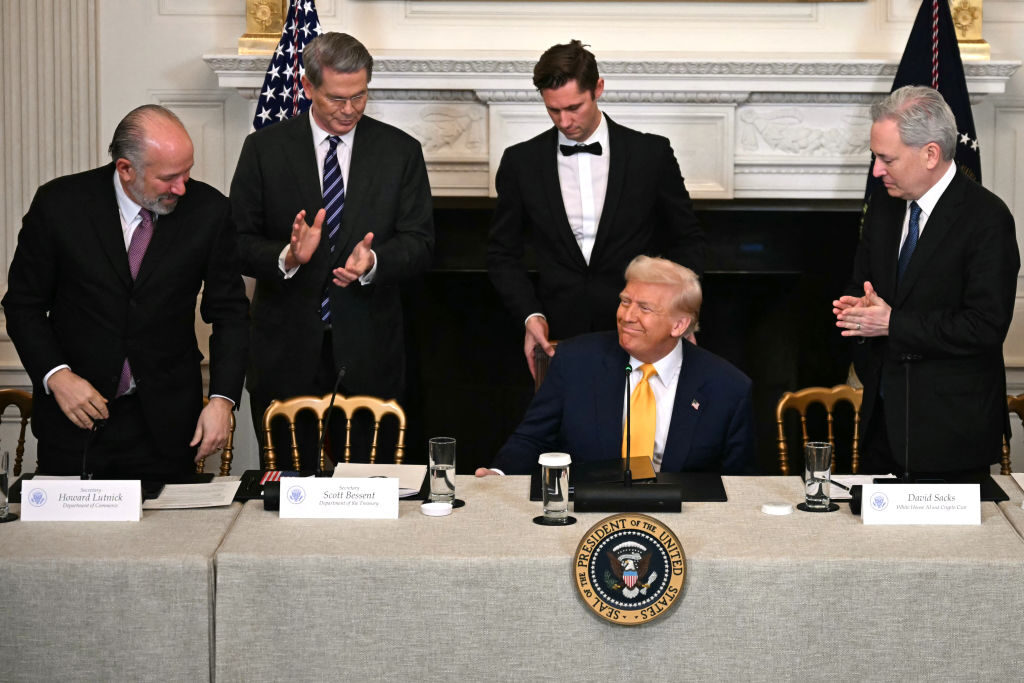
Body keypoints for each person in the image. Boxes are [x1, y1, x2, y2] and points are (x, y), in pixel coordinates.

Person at [3, 105, 249, 480]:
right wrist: (56, 376)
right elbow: (23, 305)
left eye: (187, 172)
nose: (182, 187)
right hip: (76, 419)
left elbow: (230, 313)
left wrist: (222, 401)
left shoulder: (209, 211)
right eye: (169, 177)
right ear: (126, 168)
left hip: (165, 427)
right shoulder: (59, 205)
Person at [230, 33, 434, 467]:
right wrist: (287, 257)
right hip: (285, 350)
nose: (349, 109)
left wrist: (374, 263)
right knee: (287, 491)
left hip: (369, 350)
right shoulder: (264, 150)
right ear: (307, 87)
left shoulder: (400, 152)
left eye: (359, 96)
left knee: (365, 491)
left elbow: (420, 244)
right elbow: (237, 243)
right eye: (336, 98)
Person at [487, 40, 705, 379]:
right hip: (558, 335)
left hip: (645, 328)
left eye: (575, 107)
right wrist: (530, 316)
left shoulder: (651, 154)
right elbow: (502, 253)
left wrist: (683, 313)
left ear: (598, 88)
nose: (565, 121)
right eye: (553, 110)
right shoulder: (520, 162)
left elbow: (687, 240)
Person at [833, 85, 1019, 477]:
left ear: (930, 154)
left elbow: (985, 326)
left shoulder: (986, 218)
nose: (876, 171)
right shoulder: (884, 205)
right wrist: (857, 311)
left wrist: (891, 323)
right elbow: (860, 283)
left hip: (952, 431)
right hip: (883, 421)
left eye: (887, 159)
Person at [477, 256, 754, 476]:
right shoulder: (575, 361)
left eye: (644, 308)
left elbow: (739, 483)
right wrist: (499, 475)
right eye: (625, 302)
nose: (627, 316)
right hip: (587, 515)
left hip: (683, 524)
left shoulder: (727, 388)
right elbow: (532, 439)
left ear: (679, 325)